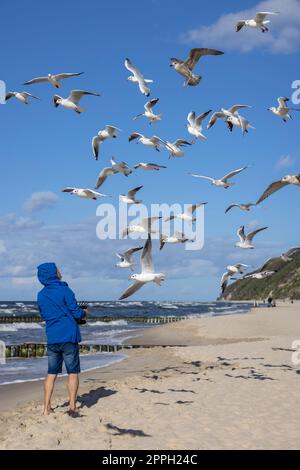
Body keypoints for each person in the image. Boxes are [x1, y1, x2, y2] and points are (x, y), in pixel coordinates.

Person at [37, 262, 87, 416]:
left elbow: (44, 314)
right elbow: (76, 313)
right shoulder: (65, 290)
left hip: (52, 337)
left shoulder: (41, 294)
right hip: (68, 336)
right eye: (57, 268)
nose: (59, 270)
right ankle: (72, 406)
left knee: (51, 373)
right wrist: (85, 313)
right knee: (73, 372)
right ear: (53, 273)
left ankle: (46, 408)